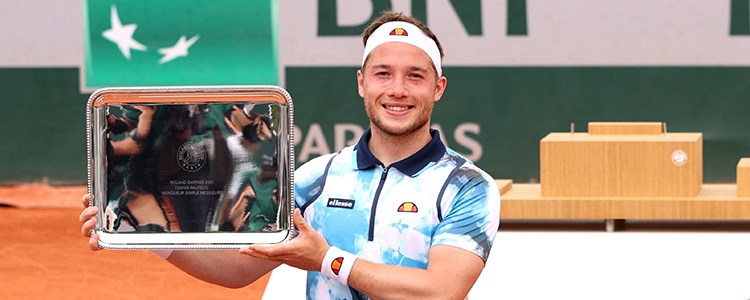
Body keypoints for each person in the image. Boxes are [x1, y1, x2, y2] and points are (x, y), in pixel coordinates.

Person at [80, 11, 501, 299]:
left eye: (415, 76)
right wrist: (142, 230)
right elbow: (237, 270)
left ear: (438, 88)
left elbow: (442, 290)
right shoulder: (315, 178)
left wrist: (326, 260)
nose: (397, 90)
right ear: (361, 83)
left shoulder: (467, 186)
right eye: (383, 74)